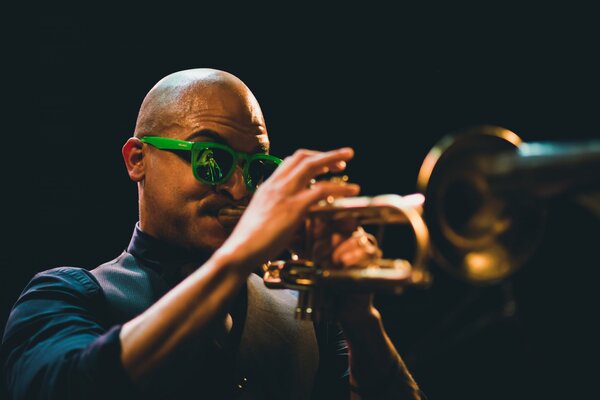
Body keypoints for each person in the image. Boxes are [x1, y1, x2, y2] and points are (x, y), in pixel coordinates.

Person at [1, 68, 425, 399]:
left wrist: (359, 319)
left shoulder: (306, 310)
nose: (240, 189)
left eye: (256, 168)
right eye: (210, 159)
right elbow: (64, 388)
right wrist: (237, 257)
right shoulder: (65, 294)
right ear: (137, 159)